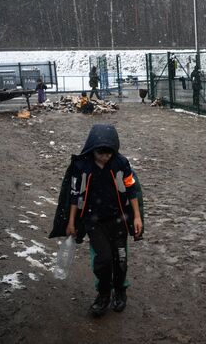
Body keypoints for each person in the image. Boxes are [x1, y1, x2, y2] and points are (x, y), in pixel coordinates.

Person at [65, 124, 143, 317]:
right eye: (101, 153)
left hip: (119, 220)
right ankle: (103, 294)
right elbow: (74, 195)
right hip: (94, 221)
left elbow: (132, 189)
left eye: (109, 153)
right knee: (104, 259)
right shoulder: (82, 166)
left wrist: (137, 216)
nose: (105, 157)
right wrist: (71, 221)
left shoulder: (121, 163)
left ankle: (120, 291)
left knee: (120, 259)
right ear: (93, 148)